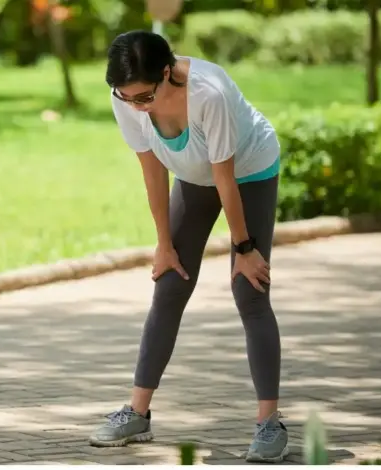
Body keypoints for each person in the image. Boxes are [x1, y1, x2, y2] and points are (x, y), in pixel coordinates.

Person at [88, 30, 289, 463]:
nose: (136, 106)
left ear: (167, 74)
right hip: (192, 175)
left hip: (248, 170)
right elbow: (152, 171)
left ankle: (269, 423)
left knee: (249, 290)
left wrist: (245, 247)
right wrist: (163, 243)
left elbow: (225, 177)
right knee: (170, 282)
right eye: (127, 98)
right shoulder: (124, 97)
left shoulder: (208, 94)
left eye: (144, 97)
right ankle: (137, 413)